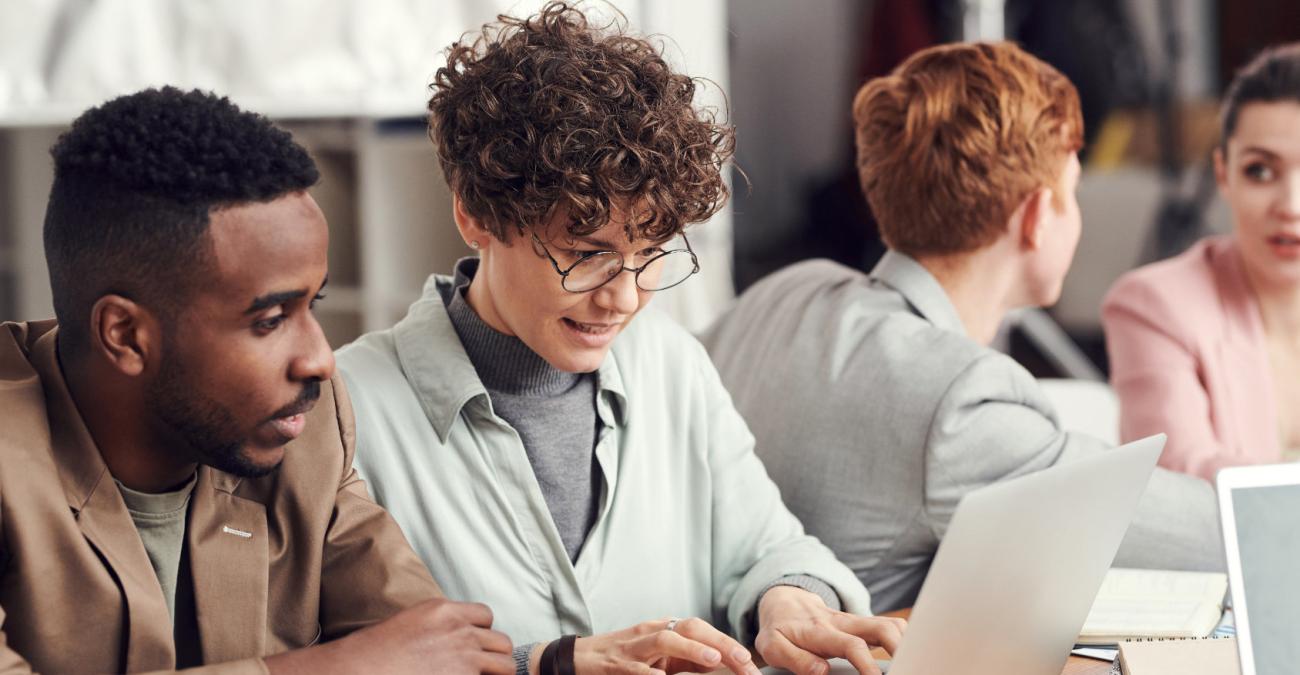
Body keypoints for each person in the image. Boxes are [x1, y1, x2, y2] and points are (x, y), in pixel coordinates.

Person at [335, 4, 905, 675]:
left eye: (651, 251)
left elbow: (770, 546)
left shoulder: (669, 362)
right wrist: (547, 664)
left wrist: (789, 599)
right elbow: (346, 659)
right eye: (587, 253)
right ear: (475, 215)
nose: (625, 297)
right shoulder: (352, 411)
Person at [0, 87, 514, 674]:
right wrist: (336, 668)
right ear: (125, 335)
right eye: (270, 320)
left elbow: (432, 651)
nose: (320, 360)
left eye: (311, 305)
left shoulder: (302, 422)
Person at [701, 42, 1224, 614]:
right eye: (1071, 194)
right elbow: (1214, 536)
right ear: (1035, 218)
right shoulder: (959, 404)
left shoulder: (787, 289)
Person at [1102, 44, 1300, 481]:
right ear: (1223, 175)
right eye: (1260, 171)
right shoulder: (1154, 307)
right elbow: (1183, 480)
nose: (1291, 205)